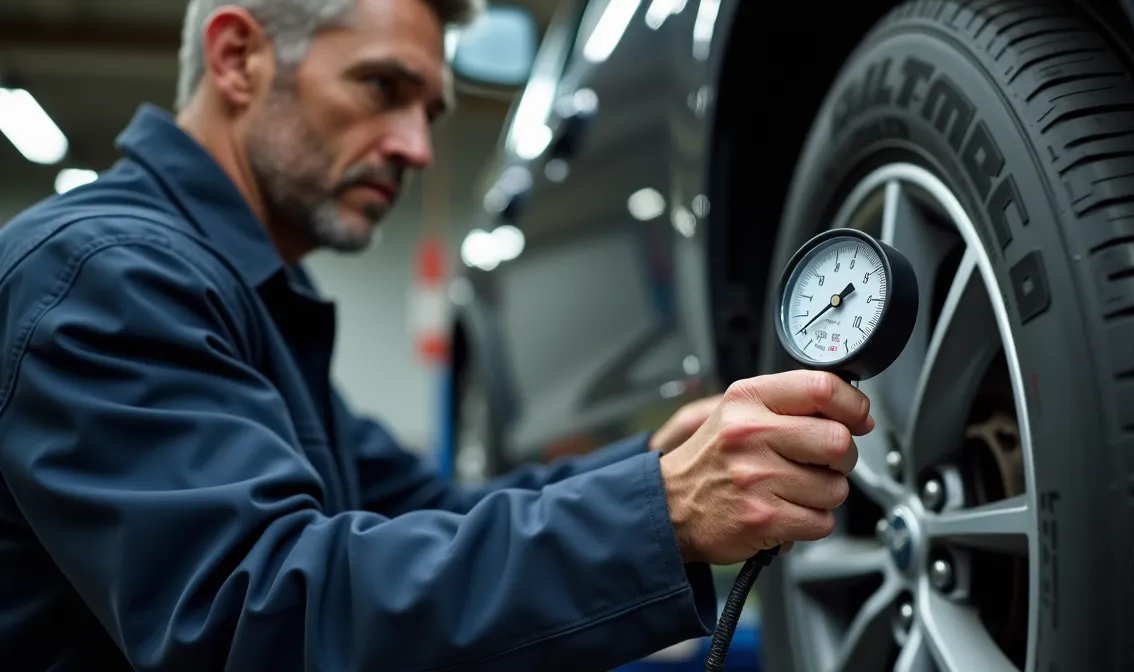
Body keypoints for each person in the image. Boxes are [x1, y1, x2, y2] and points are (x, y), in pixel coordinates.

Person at [0, 0, 873, 669]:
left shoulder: (247, 294)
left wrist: (651, 466)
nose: (417, 148)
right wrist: (666, 513)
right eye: (383, 89)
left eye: (431, 111)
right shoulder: (105, 279)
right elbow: (254, 619)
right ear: (238, 58)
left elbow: (425, 510)